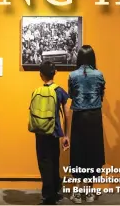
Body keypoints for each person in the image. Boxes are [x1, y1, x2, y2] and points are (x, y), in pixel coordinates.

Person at [67, 45, 106, 204]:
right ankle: (90, 192)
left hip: (79, 116)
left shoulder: (72, 75)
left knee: (78, 152)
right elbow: (101, 95)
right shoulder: (99, 74)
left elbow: (71, 94)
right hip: (95, 116)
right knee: (93, 152)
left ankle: (77, 192)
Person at [31, 61, 70, 205]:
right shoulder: (59, 91)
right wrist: (66, 135)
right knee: (54, 161)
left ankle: (48, 196)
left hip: (40, 132)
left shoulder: (36, 91)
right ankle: (56, 192)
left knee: (44, 162)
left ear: (41, 75)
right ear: (55, 73)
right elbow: (66, 114)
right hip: (54, 132)